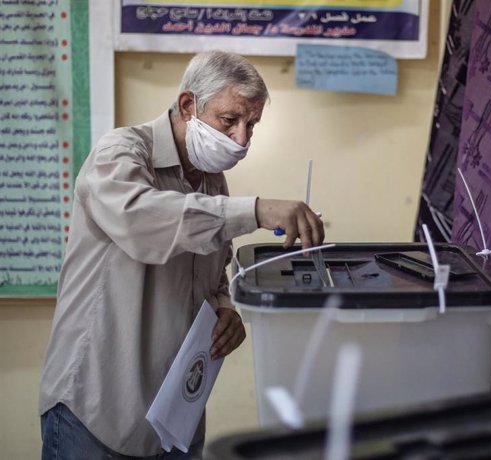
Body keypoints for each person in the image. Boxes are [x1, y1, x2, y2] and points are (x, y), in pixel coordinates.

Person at [39, 51, 324, 459]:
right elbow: (143, 221)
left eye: (252, 124)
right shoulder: (120, 153)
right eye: (230, 120)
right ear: (189, 104)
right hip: (95, 409)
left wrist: (225, 307)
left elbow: (211, 270)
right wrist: (257, 210)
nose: (242, 139)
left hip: (173, 413)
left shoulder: (212, 183)